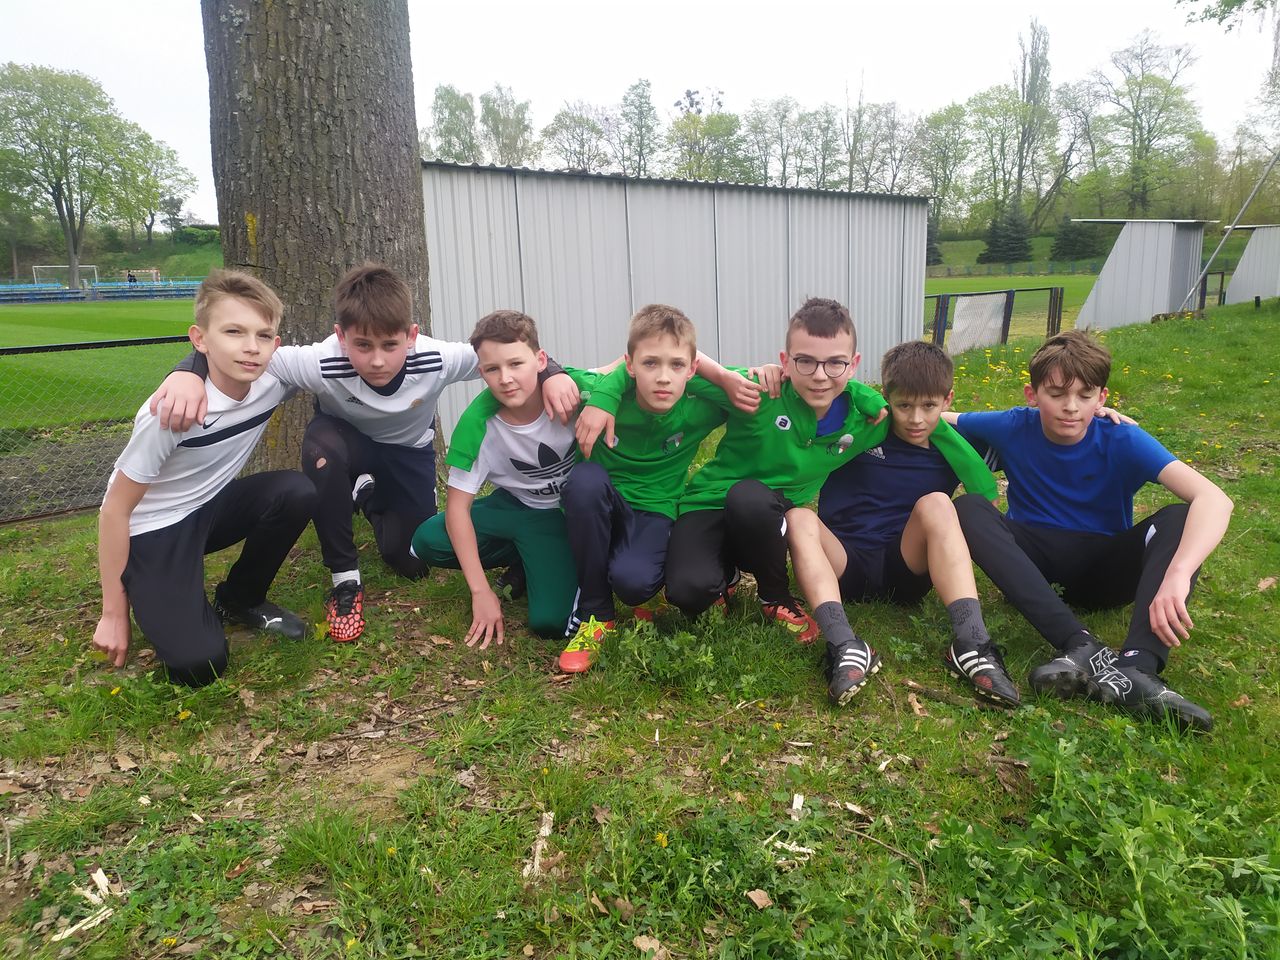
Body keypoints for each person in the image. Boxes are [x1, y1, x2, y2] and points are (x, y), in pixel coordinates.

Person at [148, 263, 578, 643]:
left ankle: (366, 496)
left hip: (407, 453)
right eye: (362, 345)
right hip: (345, 445)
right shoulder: (319, 361)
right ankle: (345, 581)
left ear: (411, 336)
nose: (376, 361)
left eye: (390, 345)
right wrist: (187, 372)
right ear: (341, 336)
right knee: (323, 447)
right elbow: (243, 354)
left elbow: (510, 351)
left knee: (412, 561)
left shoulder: (438, 358)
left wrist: (555, 374)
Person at [949, 329, 1233, 732]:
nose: (1071, 407)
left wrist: (1179, 573)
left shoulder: (1122, 437)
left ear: (1102, 398)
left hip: (1104, 569)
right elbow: (931, 416)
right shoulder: (1013, 424)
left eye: (1085, 396)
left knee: (1180, 517)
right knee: (967, 508)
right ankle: (1080, 644)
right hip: (1033, 567)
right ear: (1032, 395)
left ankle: (1137, 668)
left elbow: (1215, 499)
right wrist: (871, 405)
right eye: (1057, 394)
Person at [93, 270, 316, 687]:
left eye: (263, 335)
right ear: (200, 339)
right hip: (153, 530)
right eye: (233, 331)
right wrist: (113, 612)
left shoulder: (273, 380)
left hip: (208, 508)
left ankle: (240, 600)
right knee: (200, 664)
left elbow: (336, 358)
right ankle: (152, 586)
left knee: (296, 491)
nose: (251, 347)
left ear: (276, 344)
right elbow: (115, 510)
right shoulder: (171, 412)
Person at [657, 298, 901, 672]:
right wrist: (724, 376)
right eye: (805, 361)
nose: (820, 375)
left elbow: (925, 420)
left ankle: (774, 595)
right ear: (785, 361)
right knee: (688, 593)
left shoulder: (867, 421)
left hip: (765, 516)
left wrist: (865, 393)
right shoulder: (757, 390)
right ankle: (725, 575)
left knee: (751, 498)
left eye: (835, 363)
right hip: (706, 504)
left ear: (853, 364)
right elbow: (676, 356)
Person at [787, 340, 1013, 707]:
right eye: (904, 406)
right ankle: (843, 645)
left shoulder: (959, 446)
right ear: (886, 397)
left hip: (906, 564)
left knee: (938, 503)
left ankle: (973, 643)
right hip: (843, 562)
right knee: (798, 516)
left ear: (947, 400)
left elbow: (1035, 431)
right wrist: (772, 374)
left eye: (929, 406)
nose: (916, 419)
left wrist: (1102, 413)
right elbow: (800, 405)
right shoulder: (855, 428)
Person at [553, 304, 745, 673]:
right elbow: (545, 372)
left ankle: (649, 580)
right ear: (629, 365)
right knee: (584, 481)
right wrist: (604, 394)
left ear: (692, 369)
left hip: (655, 508)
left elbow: (760, 387)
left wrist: (720, 375)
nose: (663, 378)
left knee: (634, 585)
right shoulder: (597, 392)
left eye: (677, 365)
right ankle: (596, 614)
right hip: (602, 500)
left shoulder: (701, 406)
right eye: (650, 364)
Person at [409, 310, 585, 648]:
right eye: (493, 369)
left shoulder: (569, 392)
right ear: (481, 372)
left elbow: (619, 373)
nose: (505, 378)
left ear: (541, 360)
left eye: (515, 364)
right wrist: (480, 591)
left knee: (550, 621)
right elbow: (457, 510)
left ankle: (550, 560)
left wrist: (561, 376)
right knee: (427, 540)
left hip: (566, 513)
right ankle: (523, 557)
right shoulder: (477, 425)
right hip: (516, 507)